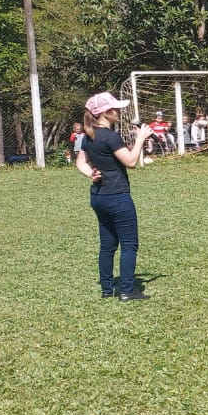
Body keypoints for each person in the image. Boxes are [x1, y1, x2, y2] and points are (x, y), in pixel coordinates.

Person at [73, 92, 153, 301]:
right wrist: (141, 139)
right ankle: (126, 290)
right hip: (117, 196)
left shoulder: (88, 136)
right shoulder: (110, 136)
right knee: (129, 244)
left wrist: (92, 174)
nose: (119, 112)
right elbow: (131, 161)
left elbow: (80, 162)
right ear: (106, 113)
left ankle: (107, 289)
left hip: (99, 197)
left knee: (107, 245)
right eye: (115, 109)